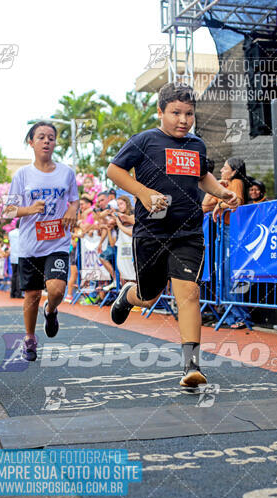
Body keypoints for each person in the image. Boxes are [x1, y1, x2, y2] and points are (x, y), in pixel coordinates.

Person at [106, 82, 238, 387]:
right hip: (151, 232)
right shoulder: (144, 141)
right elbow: (114, 171)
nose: (183, 120)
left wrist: (221, 193)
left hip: (188, 231)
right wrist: (142, 192)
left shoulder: (197, 145)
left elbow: (201, 175)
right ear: (160, 112)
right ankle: (129, 296)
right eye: (176, 113)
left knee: (189, 293)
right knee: (150, 294)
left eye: (188, 113)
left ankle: (191, 365)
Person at [4, 121, 79, 361]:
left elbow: (75, 200)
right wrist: (30, 209)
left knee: (56, 290)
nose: (47, 141)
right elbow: (9, 211)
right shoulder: (22, 174)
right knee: (32, 295)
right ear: (31, 142)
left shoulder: (66, 172)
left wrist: (72, 210)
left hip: (57, 241)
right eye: (41, 137)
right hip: (30, 244)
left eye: (51, 137)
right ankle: (29, 338)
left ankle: (52, 310)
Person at [203, 157, 252, 329]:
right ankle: (229, 314)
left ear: (234, 171)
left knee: (232, 274)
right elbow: (204, 206)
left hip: (234, 231)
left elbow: (237, 201)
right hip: (224, 231)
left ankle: (240, 316)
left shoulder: (237, 182)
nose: (221, 170)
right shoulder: (223, 184)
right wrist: (215, 187)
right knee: (223, 273)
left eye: (225, 168)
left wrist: (221, 205)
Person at [8, 223, 22, 298]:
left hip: (13, 256)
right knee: (19, 275)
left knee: (14, 275)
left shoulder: (10, 233)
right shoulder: (22, 232)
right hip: (20, 256)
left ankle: (12, 293)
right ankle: (18, 293)